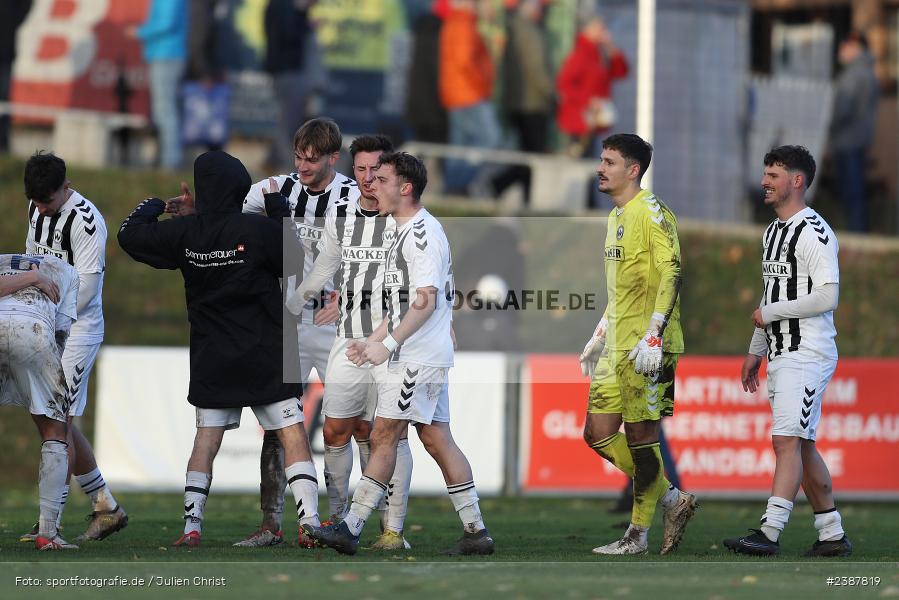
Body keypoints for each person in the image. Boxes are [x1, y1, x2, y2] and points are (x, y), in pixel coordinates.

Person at [117, 150, 321, 548]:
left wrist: (158, 205)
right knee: (293, 434)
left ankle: (192, 527)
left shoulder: (184, 235)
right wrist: (279, 205)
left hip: (213, 357)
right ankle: (310, 523)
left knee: (205, 443)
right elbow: (297, 258)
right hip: (266, 352)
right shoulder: (257, 231)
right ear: (239, 188)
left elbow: (129, 235)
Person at [304, 151, 494, 556]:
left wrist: (386, 345)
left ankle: (351, 527)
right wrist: (372, 339)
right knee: (438, 438)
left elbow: (424, 300)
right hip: (420, 353)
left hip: (416, 357)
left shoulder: (421, 234)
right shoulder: (398, 229)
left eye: (383, 179)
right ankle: (476, 531)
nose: (372, 184)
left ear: (405, 188)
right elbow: (401, 304)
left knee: (384, 434)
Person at [286, 134, 415, 551]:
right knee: (337, 429)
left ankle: (392, 528)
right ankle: (339, 519)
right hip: (347, 337)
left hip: (394, 340)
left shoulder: (403, 216)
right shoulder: (341, 211)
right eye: (360, 170)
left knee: (388, 433)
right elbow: (327, 262)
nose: (367, 178)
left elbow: (425, 276)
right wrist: (298, 299)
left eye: (376, 170)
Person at [724, 145, 851, 558]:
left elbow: (828, 295)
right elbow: (771, 292)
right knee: (801, 444)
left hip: (807, 352)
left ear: (797, 181)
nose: (765, 181)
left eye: (774, 175)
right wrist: (755, 350)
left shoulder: (815, 231)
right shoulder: (773, 231)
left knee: (785, 442)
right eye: (765, 173)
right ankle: (831, 534)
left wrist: (770, 314)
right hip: (780, 353)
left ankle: (770, 532)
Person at [577, 134, 695, 555]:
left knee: (643, 441)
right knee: (597, 433)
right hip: (617, 345)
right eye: (601, 160)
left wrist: (654, 333)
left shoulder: (654, 212)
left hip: (649, 347)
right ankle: (672, 499)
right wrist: (599, 333)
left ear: (632, 170)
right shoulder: (616, 217)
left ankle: (637, 537)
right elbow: (622, 288)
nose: (600, 168)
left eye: (609, 161)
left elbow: (673, 272)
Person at [21, 152, 128, 544]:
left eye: (48, 201)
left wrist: (57, 318)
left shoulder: (86, 221)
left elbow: (87, 289)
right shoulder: (36, 206)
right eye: (37, 202)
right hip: (46, 321)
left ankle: (50, 522)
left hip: (78, 328)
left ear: (66, 188)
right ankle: (106, 506)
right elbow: (32, 262)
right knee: (48, 417)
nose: (42, 209)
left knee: (57, 420)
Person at [0, 254, 79, 550]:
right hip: (32, 333)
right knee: (55, 432)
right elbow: (60, 334)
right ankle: (48, 532)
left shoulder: (4, 259)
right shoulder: (69, 272)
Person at [492, 0, 553, 201]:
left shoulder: (513, 28)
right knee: (531, 158)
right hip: (532, 103)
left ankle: (506, 190)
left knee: (526, 156)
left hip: (517, 102)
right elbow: (536, 69)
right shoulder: (529, 32)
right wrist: (552, 94)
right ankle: (499, 186)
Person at [439, 0, 500, 195]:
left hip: (459, 93)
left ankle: (454, 189)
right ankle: (459, 184)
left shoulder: (457, 22)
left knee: (461, 145)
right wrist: (482, 84)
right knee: (488, 139)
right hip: (469, 93)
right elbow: (465, 61)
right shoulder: (464, 23)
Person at [264, 0, 326, 170]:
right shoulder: (282, 6)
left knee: (292, 118)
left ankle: (274, 158)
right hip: (287, 71)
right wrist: (302, 15)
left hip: (290, 71)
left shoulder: (288, 8)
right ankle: (287, 164)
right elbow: (287, 34)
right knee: (290, 123)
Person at [556, 15, 628, 160]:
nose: (602, 32)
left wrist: (611, 47)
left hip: (593, 120)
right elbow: (564, 84)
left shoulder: (598, 53)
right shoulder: (580, 53)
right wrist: (588, 101)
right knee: (580, 159)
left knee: (591, 160)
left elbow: (620, 72)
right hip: (579, 120)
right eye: (599, 28)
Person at [829, 31, 879, 233]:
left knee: (851, 192)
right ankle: (858, 230)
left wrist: (829, 124)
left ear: (856, 47)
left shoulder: (853, 74)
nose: (841, 50)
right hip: (860, 139)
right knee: (856, 191)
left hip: (847, 140)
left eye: (845, 46)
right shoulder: (869, 72)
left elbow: (843, 108)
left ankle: (856, 232)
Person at [132, 0, 188, 169]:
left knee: (165, 110)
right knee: (162, 110)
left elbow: (166, 23)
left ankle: (170, 161)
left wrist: (139, 32)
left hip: (166, 55)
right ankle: (166, 158)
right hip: (165, 54)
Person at [0, 0, 33, 153]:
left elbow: (25, 7)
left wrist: (9, 21)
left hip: (5, 50)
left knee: (3, 100)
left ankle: (2, 144)